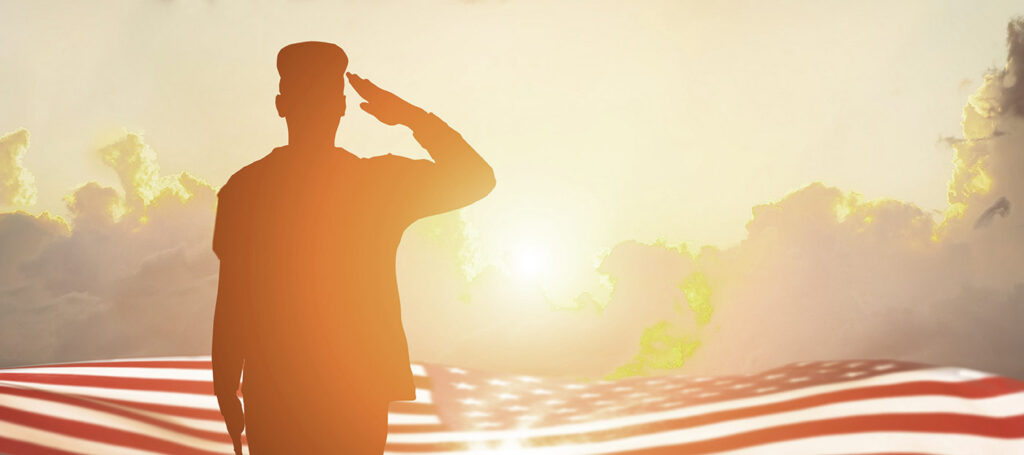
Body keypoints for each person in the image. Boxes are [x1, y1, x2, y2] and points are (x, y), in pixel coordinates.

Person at [211, 41, 496, 454]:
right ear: (342, 106)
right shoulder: (375, 185)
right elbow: (476, 177)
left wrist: (225, 385)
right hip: (350, 386)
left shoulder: (244, 189)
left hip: (281, 388)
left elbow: (232, 298)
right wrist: (410, 118)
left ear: (281, 105)